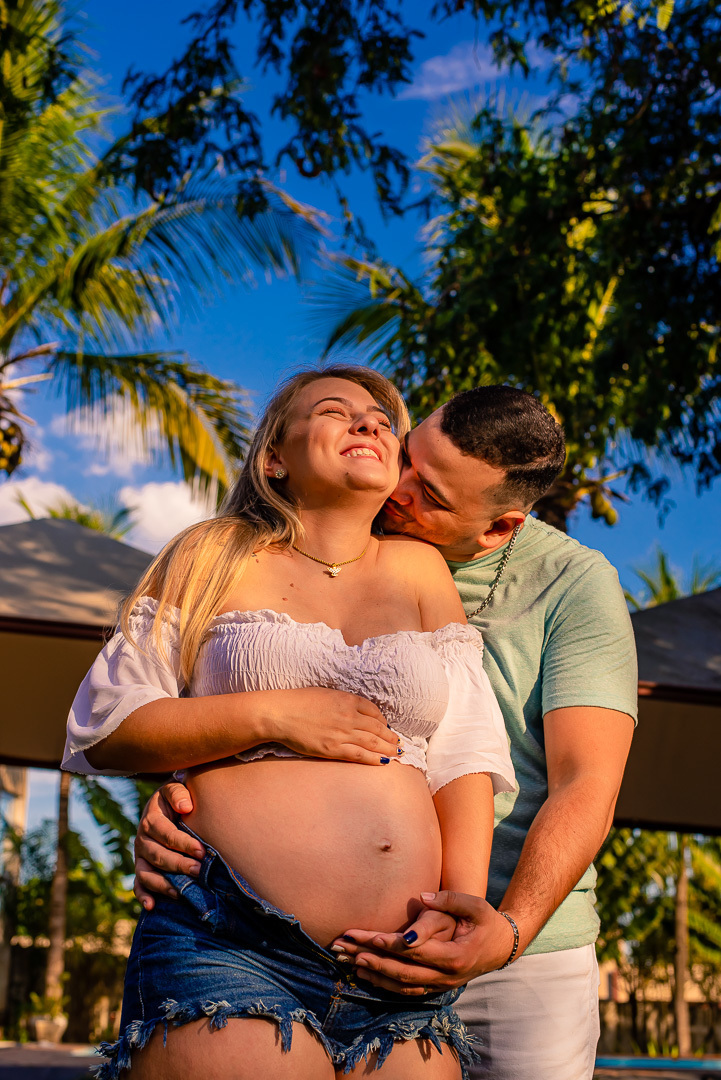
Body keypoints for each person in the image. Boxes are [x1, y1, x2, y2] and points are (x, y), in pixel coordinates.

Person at [133, 383, 638, 1080]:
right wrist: (187, 789)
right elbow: (201, 688)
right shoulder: (298, 544)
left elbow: (586, 783)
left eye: (428, 493)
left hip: (519, 941)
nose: (396, 486)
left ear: (499, 528)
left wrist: (507, 929)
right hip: (275, 938)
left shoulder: (572, 584)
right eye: (406, 454)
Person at [62, 366, 516, 1080]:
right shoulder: (210, 553)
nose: (367, 423)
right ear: (274, 457)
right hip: (229, 943)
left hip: (399, 964)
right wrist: (275, 713)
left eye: (381, 418)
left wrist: (456, 910)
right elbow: (108, 724)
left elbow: (463, 755)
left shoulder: (422, 571)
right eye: (336, 411)